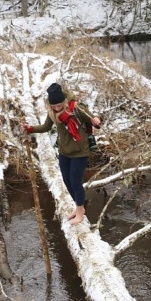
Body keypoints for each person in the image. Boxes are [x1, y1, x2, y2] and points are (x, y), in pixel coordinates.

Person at [22, 83, 101, 225]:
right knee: (66, 180)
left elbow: (91, 119)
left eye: (59, 105)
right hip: (64, 151)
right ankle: (79, 208)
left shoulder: (75, 109)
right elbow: (46, 127)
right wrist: (30, 129)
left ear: (64, 102)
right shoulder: (52, 113)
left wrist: (96, 120)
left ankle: (80, 212)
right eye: (54, 106)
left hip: (80, 151)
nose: (57, 108)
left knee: (76, 182)